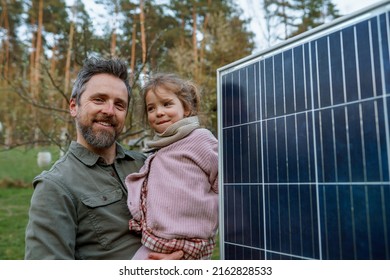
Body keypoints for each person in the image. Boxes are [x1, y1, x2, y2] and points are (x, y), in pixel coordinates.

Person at [24, 57, 183, 260]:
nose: (109, 111)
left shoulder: (148, 164)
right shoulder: (55, 186)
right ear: (74, 106)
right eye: (99, 99)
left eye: (119, 104)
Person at [126, 73, 218, 260]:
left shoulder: (200, 138)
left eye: (167, 104)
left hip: (186, 244)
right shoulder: (160, 148)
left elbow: (224, 183)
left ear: (186, 108)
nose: (159, 112)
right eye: (151, 108)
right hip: (157, 241)